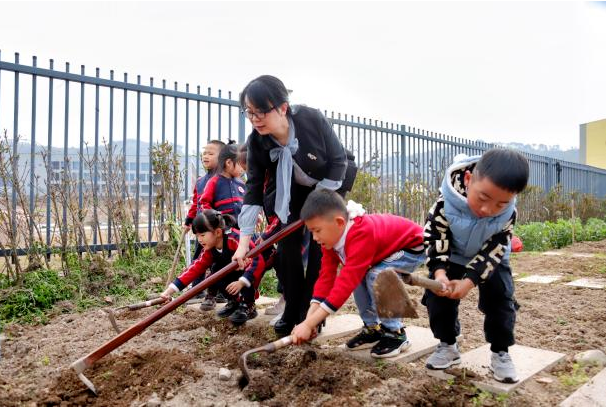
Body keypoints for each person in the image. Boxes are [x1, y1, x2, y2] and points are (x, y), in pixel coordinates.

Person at [232, 75, 354, 337]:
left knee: (321, 249)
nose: (255, 119)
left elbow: (338, 161)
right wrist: (243, 244)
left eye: (261, 111)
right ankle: (291, 309)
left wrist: (319, 205)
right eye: (249, 113)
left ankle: (310, 313)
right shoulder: (257, 141)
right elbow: (252, 190)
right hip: (290, 192)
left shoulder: (311, 119)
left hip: (329, 183)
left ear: (282, 108)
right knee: (287, 248)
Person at [421, 148, 529, 383]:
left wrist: (469, 281)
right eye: (482, 198)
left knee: (501, 300)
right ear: (468, 180)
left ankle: (500, 352)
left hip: (490, 259)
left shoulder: (507, 215)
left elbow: (495, 250)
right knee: (437, 299)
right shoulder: (444, 204)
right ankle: (448, 345)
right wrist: (440, 273)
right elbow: (435, 239)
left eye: (501, 203)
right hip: (453, 256)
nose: (488, 210)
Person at [291, 189, 427, 358]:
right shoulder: (330, 240)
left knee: (377, 275)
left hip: (411, 246)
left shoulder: (361, 233)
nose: (315, 238)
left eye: (317, 230)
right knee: (362, 276)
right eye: (311, 232)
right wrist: (308, 321)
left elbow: (344, 285)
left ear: (339, 222)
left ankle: (395, 332)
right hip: (385, 251)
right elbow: (326, 277)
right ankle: (373, 329)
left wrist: (309, 323)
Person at [161, 210, 266, 326]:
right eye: (197, 236)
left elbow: (258, 260)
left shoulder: (236, 239)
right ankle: (234, 302)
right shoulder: (209, 249)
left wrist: (242, 282)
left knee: (246, 273)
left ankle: (248, 305)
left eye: (202, 235)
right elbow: (194, 269)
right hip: (232, 274)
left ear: (217, 232)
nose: (199, 240)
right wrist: (169, 291)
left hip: (248, 274)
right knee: (215, 272)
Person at [183, 139, 226, 301]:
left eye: (210, 153)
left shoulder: (223, 180)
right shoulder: (201, 181)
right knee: (198, 258)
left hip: (217, 229)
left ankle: (223, 292)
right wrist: (189, 221)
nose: (205, 156)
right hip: (202, 228)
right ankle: (197, 289)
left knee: (220, 261)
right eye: (204, 153)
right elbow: (196, 203)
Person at [199, 142, 246, 222]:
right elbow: (204, 202)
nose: (243, 169)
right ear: (228, 163)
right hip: (223, 228)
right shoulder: (214, 182)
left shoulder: (241, 184)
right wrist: (214, 219)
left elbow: (247, 203)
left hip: (241, 227)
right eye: (240, 164)